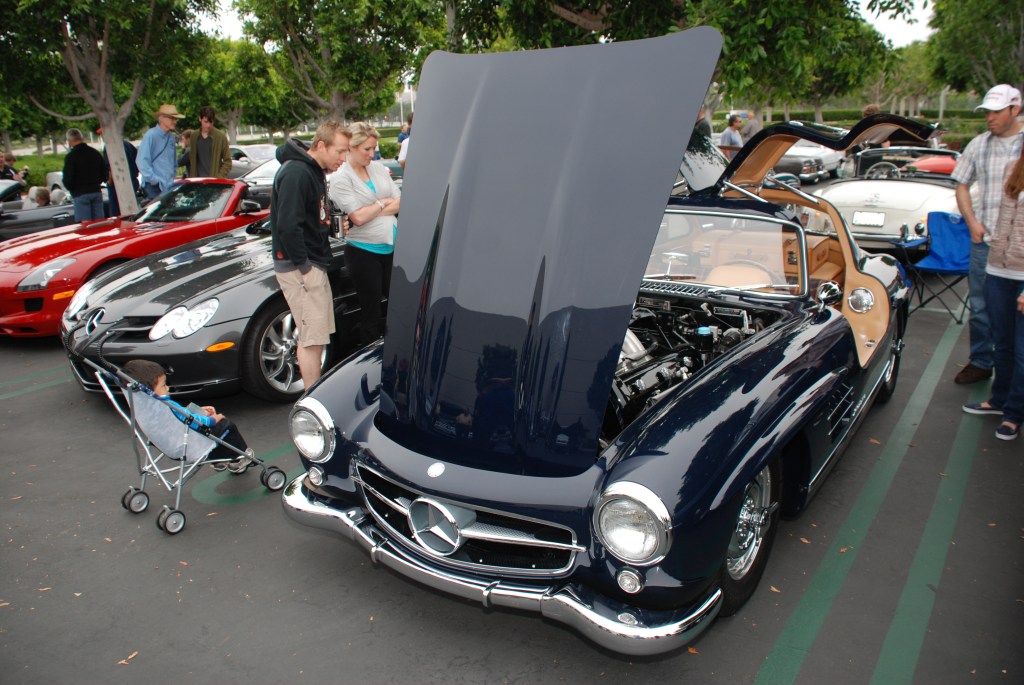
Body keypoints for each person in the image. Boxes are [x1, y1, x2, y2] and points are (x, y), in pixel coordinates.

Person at [950, 84, 1023, 384]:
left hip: (1020, 247)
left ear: (1015, 109)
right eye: (987, 112)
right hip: (986, 243)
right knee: (980, 307)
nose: (990, 118)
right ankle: (981, 361)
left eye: (996, 111)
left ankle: (1014, 377)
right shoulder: (979, 144)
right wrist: (972, 223)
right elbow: (961, 183)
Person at [270, 120, 350, 389]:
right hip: (301, 267)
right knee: (311, 337)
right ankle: (311, 398)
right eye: (340, 151)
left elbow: (308, 219)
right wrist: (304, 268)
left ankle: (313, 394)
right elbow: (287, 226)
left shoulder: (311, 171)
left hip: (311, 263)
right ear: (320, 145)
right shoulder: (297, 173)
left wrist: (329, 226)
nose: (343, 158)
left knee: (316, 336)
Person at [962, 144, 1024, 441]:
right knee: (1003, 342)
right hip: (1000, 270)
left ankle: (1014, 414)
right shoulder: (1015, 173)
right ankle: (999, 400)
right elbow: (1003, 220)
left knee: (1022, 349)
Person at [330, 121, 401, 345]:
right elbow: (357, 218)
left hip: (392, 248)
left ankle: (396, 348)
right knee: (371, 311)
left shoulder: (378, 168)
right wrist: (382, 203)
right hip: (363, 253)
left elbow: (402, 201)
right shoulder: (342, 178)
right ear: (351, 147)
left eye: (374, 148)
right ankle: (369, 358)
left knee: (398, 305)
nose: (372, 154)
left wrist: (371, 209)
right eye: (367, 149)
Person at [123, 359, 251, 467]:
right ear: (150, 391)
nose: (167, 388)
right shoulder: (168, 405)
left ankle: (219, 460)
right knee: (226, 426)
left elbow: (179, 415)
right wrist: (214, 419)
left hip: (166, 443)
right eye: (163, 385)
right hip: (189, 444)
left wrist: (200, 412)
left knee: (207, 423)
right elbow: (195, 422)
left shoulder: (147, 408)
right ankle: (239, 457)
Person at [138, 103, 185, 199]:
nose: (175, 121)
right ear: (162, 118)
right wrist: (154, 180)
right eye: (172, 118)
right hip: (153, 187)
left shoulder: (171, 137)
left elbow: (173, 161)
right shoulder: (151, 135)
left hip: (168, 186)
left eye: (175, 119)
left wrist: (172, 177)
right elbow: (141, 161)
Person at [62, 128, 107, 221]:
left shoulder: (71, 157)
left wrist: (72, 189)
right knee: (99, 223)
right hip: (96, 190)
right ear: (81, 138)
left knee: (86, 226)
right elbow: (104, 172)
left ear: (69, 140)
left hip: (80, 193)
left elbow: (68, 179)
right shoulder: (95, 153)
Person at [100, 131, 140, 218]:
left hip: (118, 184)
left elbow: (111, 166)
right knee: (131, 210)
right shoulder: (128, 145)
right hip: (132, 180)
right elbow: (138, 161)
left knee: (116, 214)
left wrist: (110, 181)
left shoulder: (109, 146)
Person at [187, 106, 232, 178]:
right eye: (206, 122)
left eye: (211, 122)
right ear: (200, 119)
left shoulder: (220, 137)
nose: (208, 125)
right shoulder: (194, 136)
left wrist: (219, 178)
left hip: (214, 183)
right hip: (198, 182)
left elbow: (228, 162)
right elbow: (192, 159)